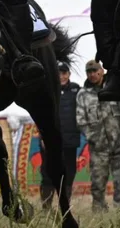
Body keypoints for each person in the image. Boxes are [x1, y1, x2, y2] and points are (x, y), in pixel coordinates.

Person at [76, 61, 120, 211]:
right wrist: (93, 138)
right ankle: (99, 215)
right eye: (89, 72)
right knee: (97, 185)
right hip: (98, 149)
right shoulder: (83, 94)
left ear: (102, 70)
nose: (92, 74)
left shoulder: (115, 89)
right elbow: (81, 121)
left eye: (95, 71)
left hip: (119, 146)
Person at [41, 62, 81, 206]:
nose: (61, 76)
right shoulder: (47, 90)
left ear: (69, 74)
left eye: (64, 73)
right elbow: (40, 114)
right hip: (50, 139)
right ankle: (46, 207)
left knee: (69, 173)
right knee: (47, 172)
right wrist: (42, 135)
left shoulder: (77, 90)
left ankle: (65, 206)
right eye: (58, 73)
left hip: (70, 140)